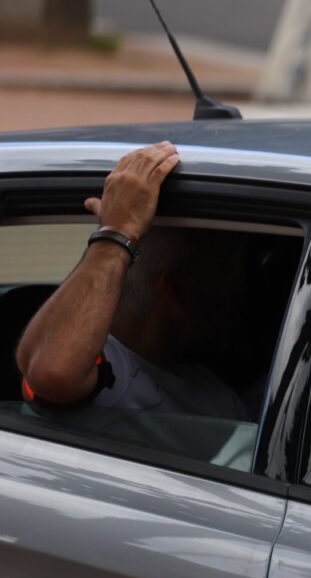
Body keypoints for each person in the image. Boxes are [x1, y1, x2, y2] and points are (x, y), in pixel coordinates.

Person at [15, 142, 247, 421]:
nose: (239, 290)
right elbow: (50, 371)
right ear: (173, 289)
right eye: (225, 274)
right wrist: (117, 231)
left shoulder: (215, 393)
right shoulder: (107, 365)